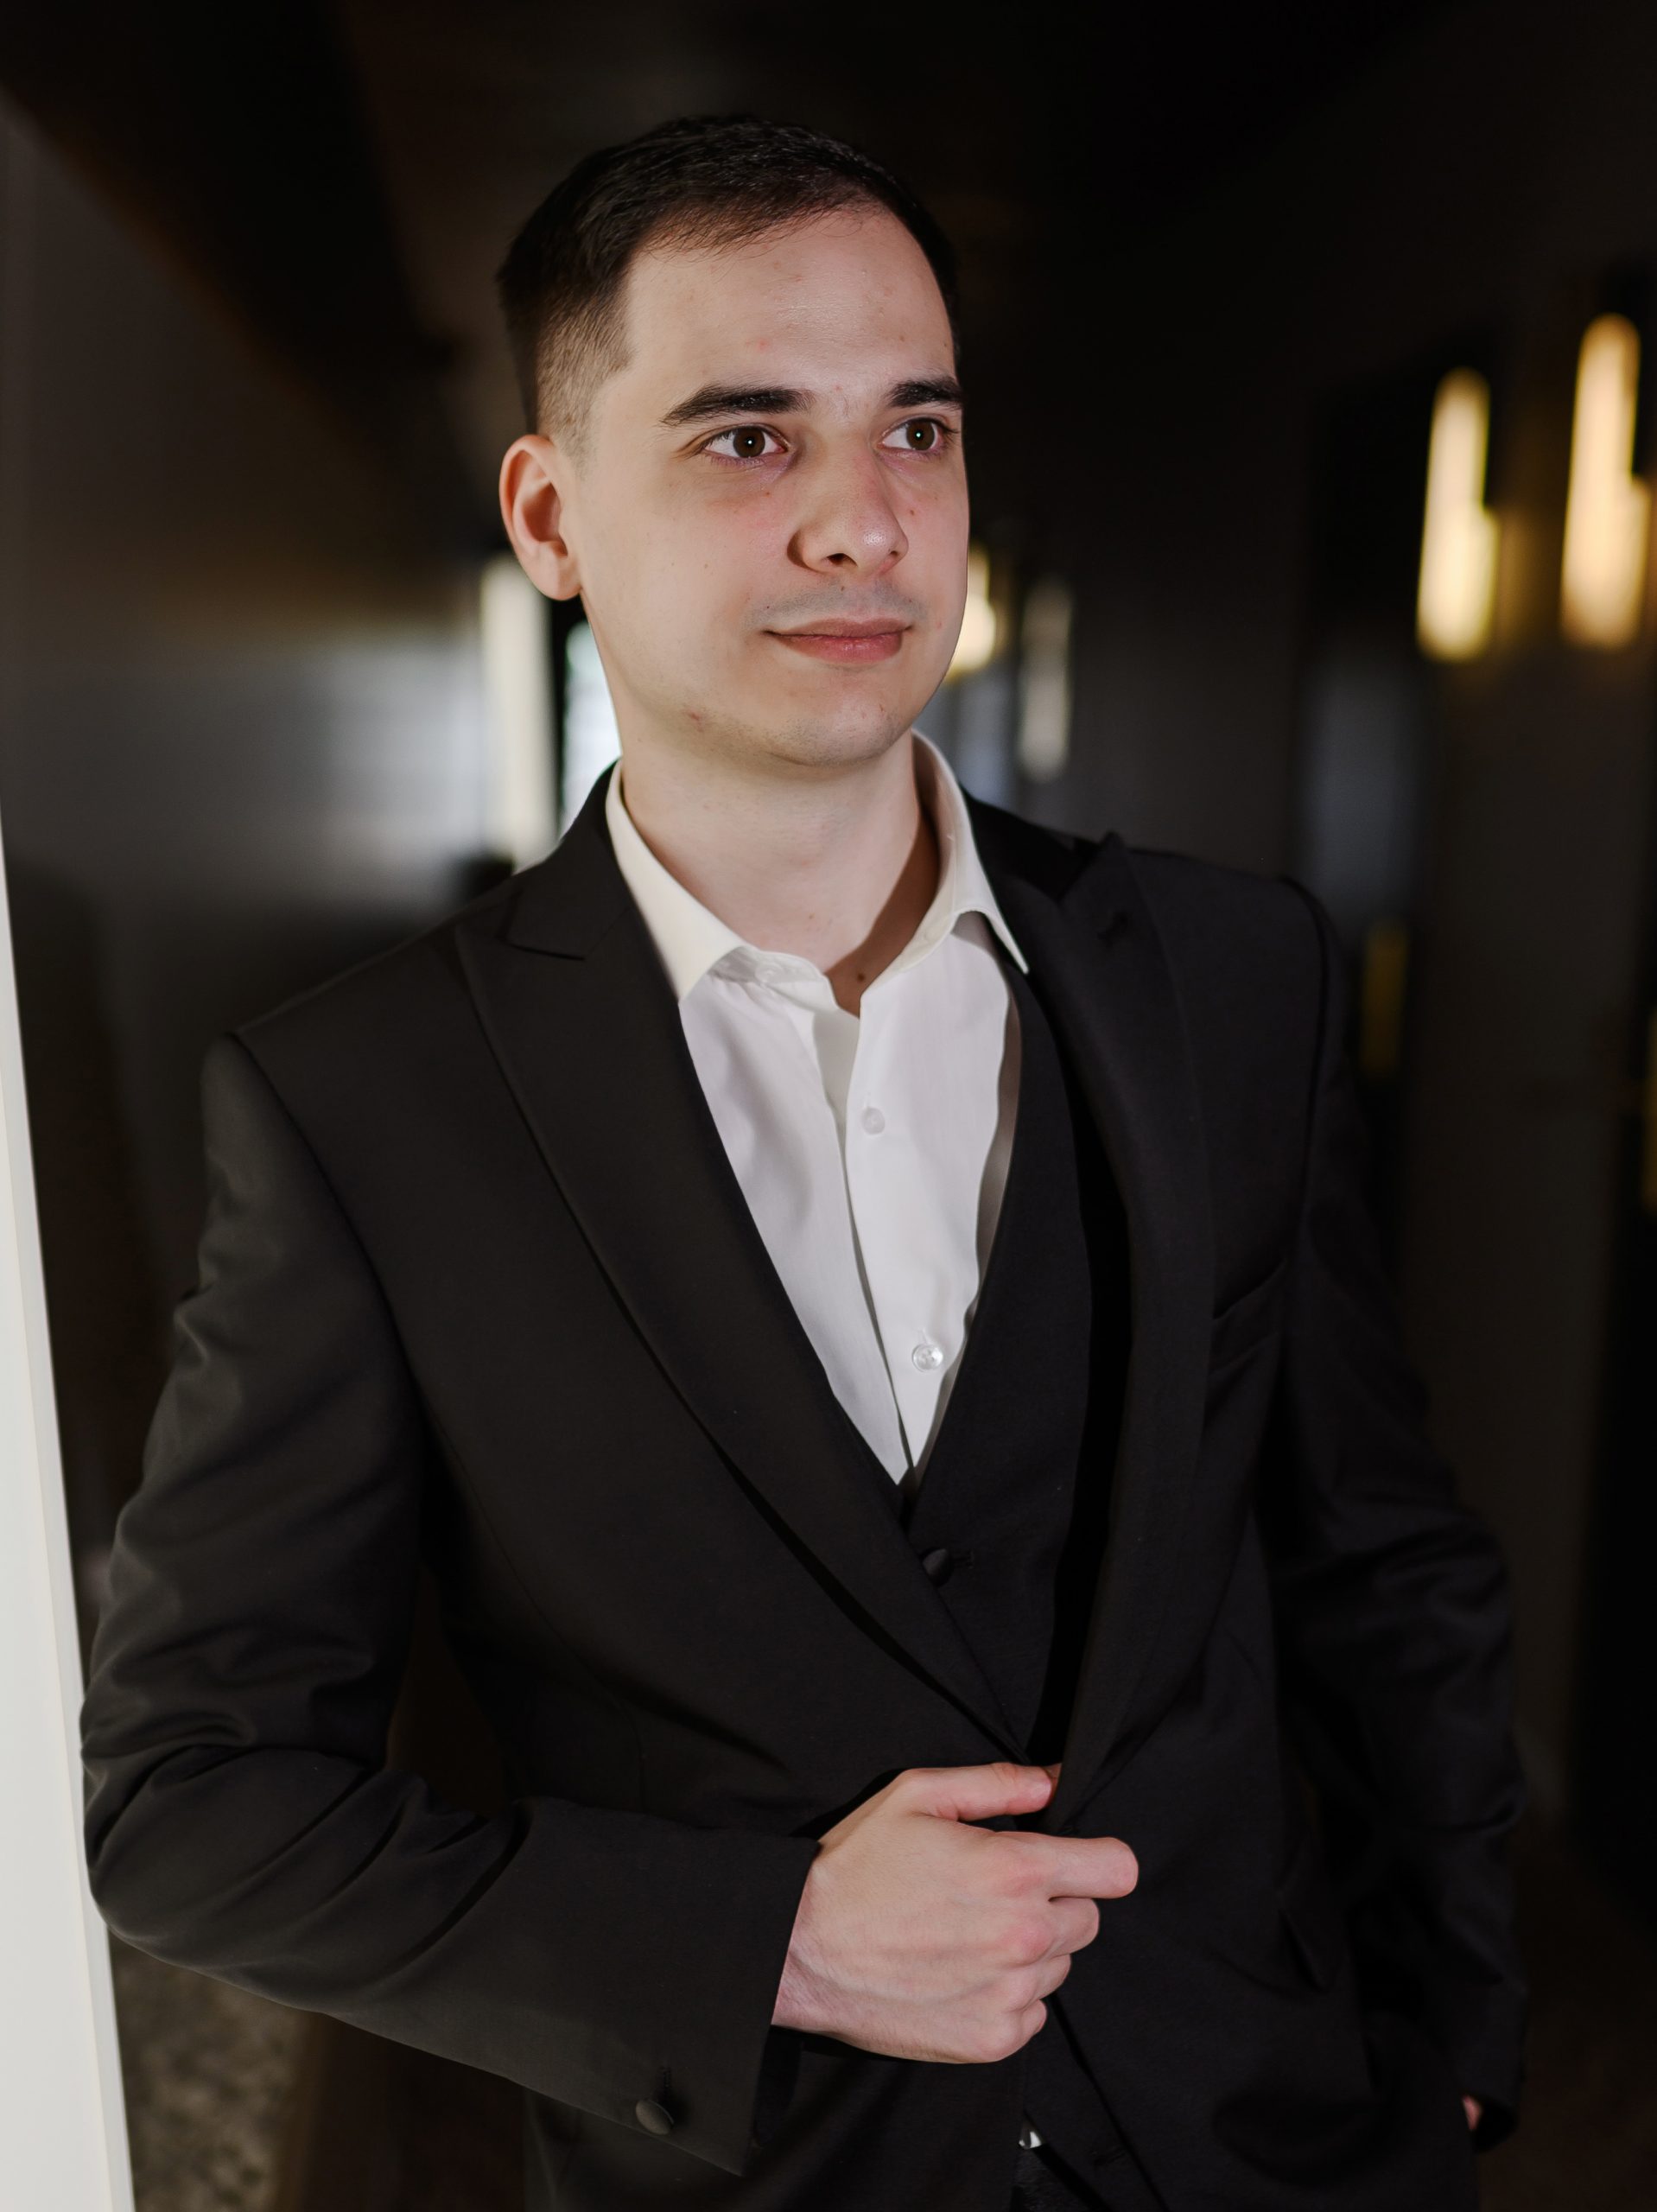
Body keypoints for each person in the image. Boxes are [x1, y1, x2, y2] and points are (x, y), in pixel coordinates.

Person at [79, 115, 1527, 2212]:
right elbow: (192, 1802)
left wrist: (1458, 2046)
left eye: (914, 429)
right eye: (749, 438)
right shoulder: (361, 1103)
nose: (866, 522)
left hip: (1271, 2149)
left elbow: (1382, 1568)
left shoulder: (1230, 978)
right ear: (550, 515)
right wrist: (768, 1939)